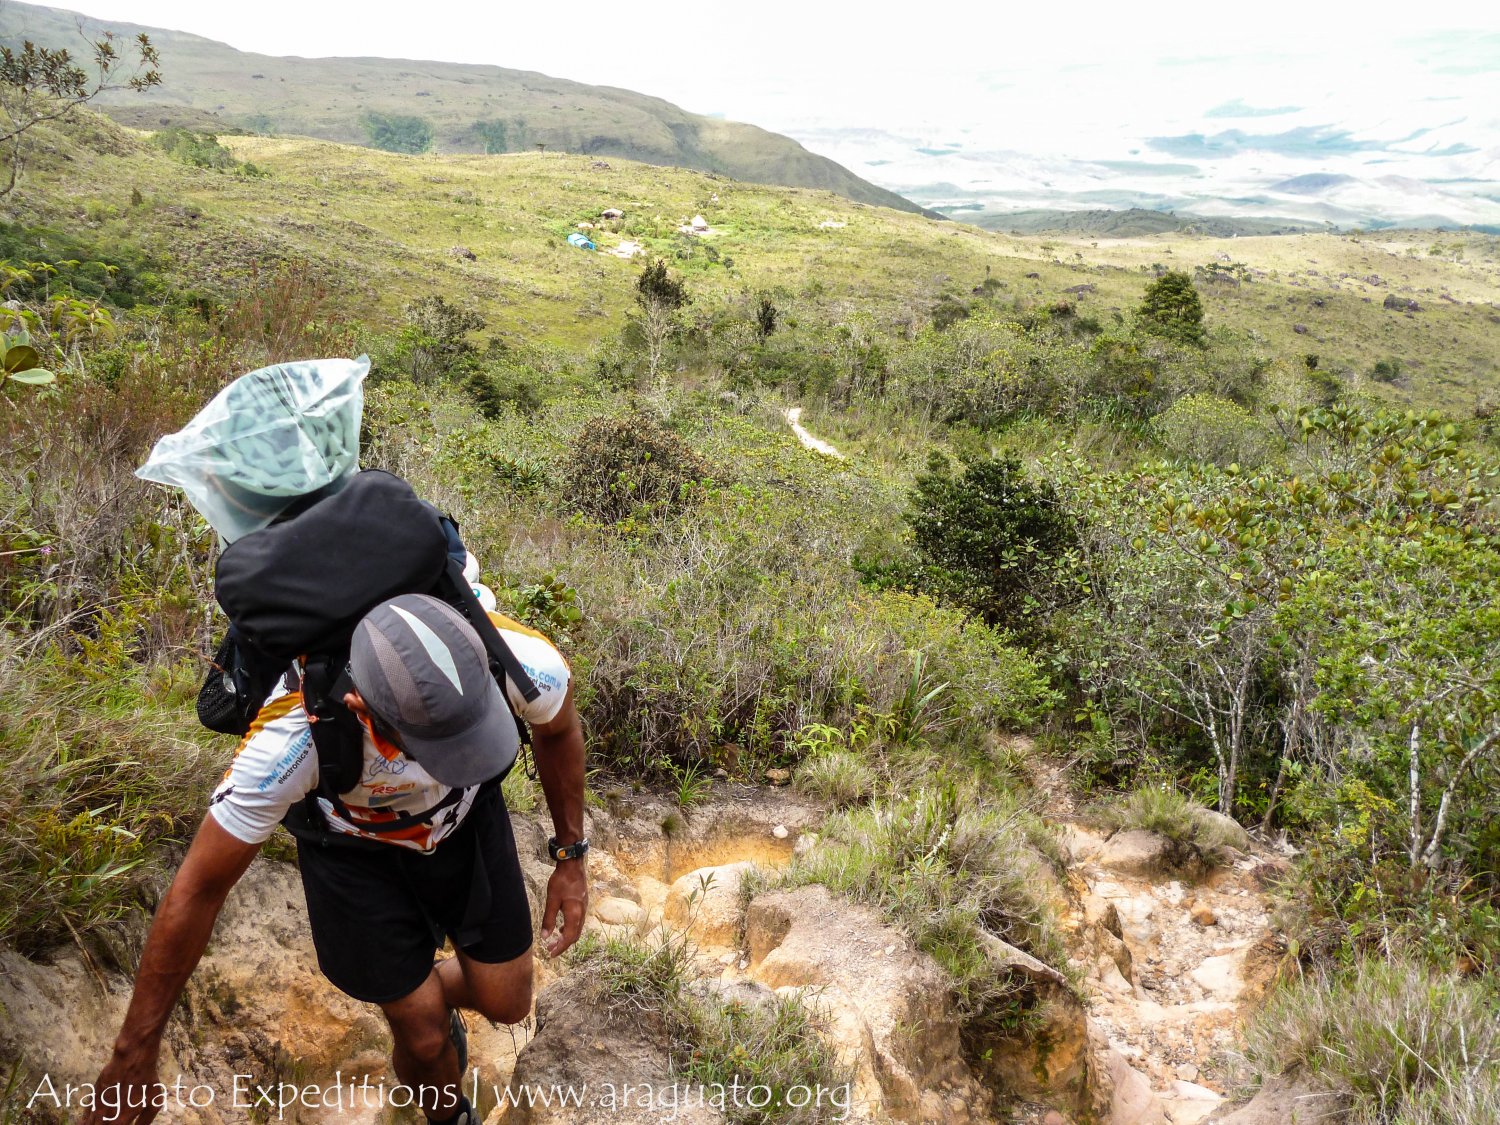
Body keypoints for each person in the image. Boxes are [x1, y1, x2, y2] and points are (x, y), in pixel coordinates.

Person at [84, 592, 588, 1125]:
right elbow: (198, 888)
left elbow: (558, 729)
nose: (455, 759)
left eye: (469, 735)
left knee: (507, 1001)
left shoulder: (519, 658)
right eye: (433, 749)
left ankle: (426, 988)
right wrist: (134, 1051)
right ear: (361, 709)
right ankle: (450, 1115)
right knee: (422, 1037)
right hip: (350, 853)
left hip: (466, 823)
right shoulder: (290, 739)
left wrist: (571, 856)